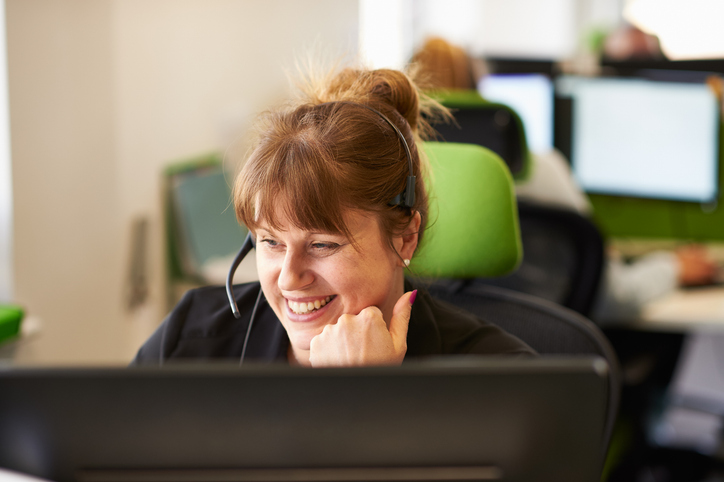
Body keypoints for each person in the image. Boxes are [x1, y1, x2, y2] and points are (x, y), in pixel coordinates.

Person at [132, 65, 535, 366]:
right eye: (270, 241)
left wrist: (362, 400)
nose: (289, 277)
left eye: (322, 244)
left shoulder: (500, 381)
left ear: (405, 238)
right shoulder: (191, 338)